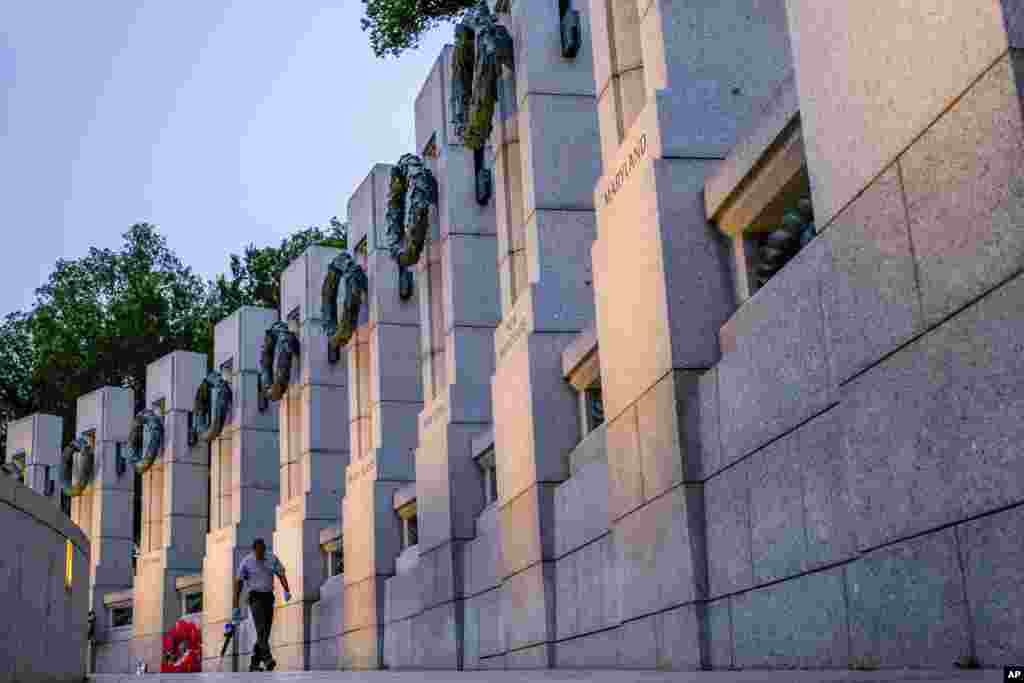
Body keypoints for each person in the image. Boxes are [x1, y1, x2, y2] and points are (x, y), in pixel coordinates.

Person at [233, 538, 291, 671]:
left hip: (268, 597)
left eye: (262, 551)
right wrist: (235, 606)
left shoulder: (271, 558)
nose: (260, 554)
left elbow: (281, 574)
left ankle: (254, 663)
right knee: (261, 628)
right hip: (255, 597)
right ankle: (267, 658)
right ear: (254, 550)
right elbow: (238, 584)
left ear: (265, 549)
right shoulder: (246, 562)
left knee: (266, 631)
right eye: (258, 551)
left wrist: (287, 590)